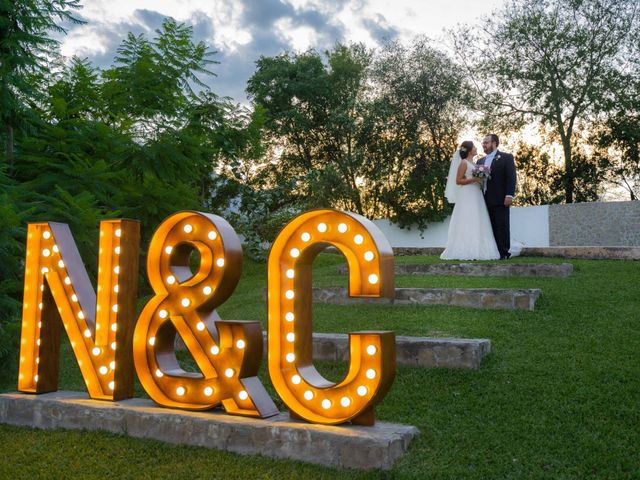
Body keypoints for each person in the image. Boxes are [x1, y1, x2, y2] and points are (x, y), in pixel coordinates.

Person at [441, 141, 500, 260]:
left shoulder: (474, 163)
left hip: (476, 194)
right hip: (467, 194)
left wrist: (480, 179)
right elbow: (458, 181)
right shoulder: (463, 163)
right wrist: (474, 179)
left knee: (477, 218)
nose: (476, 148)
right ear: (469, 150)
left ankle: (478, 248)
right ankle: (463, 248)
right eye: (474, 147)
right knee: (467, 219)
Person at [477, 134, 517, 260]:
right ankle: (493, 252)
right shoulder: (480, 161)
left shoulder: (506, 157)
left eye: (486, 142)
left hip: (501, 198)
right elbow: (479, 180)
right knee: (490, 226)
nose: (484, 145)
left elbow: (511, 177)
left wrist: (509, 195)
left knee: (502, 225)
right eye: (483, 143)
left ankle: (504, 253)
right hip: (485, 199)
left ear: (494, 143)